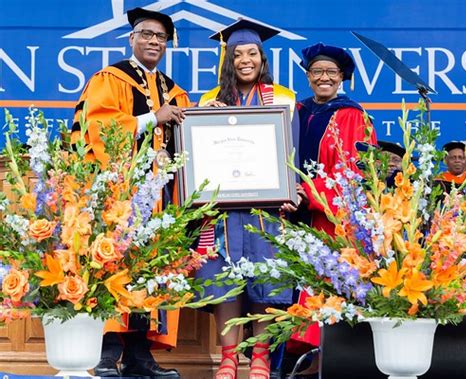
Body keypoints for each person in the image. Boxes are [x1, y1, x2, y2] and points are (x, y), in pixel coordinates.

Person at [71, 7, 189, 378]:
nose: (154, 41)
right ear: (132, 38)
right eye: (147, 34)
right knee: (113, 265)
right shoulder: (111, 78)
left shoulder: (174, 91)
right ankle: (106, 353)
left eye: (161, 37)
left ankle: (139, 355)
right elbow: (99, 129)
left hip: (161, 200)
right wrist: (156, 117)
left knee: (151, 271)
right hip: (119, 196)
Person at [194, 19, 298, 379]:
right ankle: (228, 359)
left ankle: (260, 358)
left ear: (262, 56)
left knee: (265, 280)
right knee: (225, 283)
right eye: (237, 55)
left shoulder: (284, 98)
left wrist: (290, 187)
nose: (245, 60)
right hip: (222, 209)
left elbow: (292, 152)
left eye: (251, 53)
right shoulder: (209, 101)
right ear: (228, 60)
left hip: (266, 207)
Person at [282, 42, 377, 374]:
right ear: (308, 77)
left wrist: (308, 192)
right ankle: (298, 359)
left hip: (327, 220)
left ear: (342, 77)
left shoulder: (352, 115)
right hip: (291, 214)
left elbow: (354, 174)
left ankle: (324, 358)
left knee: (325, 282)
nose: (324, 78)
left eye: (331, 72)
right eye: (317, 72)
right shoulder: (296, 110)